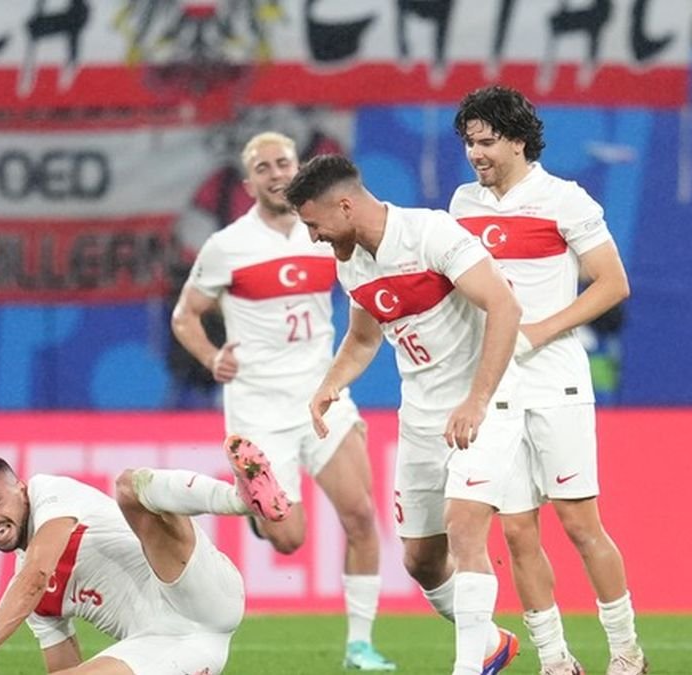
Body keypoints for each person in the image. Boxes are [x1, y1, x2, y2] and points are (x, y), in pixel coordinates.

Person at [284, 154, 525, 675]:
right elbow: (363, 337)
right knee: (420, 560)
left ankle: (468, 668)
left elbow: (505, 305)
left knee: (464, 525)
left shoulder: (431, 234)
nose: (313, 238)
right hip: (420, 415)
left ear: (345, 206)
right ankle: (489, 642)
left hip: (484, 404)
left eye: (314, 225)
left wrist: (478, 400)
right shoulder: (351, 262)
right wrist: (329, 384)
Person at [170, 131, 394, 670]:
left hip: (320, 396)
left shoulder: (325, 230)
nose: (275, 173)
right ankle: (258, 510)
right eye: (263, 167)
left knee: (362, 514)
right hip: (259, 409)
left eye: (283, 163)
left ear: (299, 169)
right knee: (289, 539)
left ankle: (360, 645)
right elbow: (185, 316)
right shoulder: (227, 246)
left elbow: (368, 283)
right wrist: (211, 358)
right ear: (249, 183)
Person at [449, 85, 644, 675]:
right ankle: (556, 659)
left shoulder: (564, 199)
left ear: (517, 140)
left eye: (486, 142)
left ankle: (626, 652)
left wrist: (538, 331)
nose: (476, 154)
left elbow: (612, 283)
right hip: (495, 388)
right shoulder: (463, 203)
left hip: (556, 381)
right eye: (469, 143)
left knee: (581, 524)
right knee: (517, 532)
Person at [0, 435, 290, 675]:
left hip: (200, 592)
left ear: (21, 489)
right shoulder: (33, 600)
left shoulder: (50, 494)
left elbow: (34, 577)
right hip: (175, 648)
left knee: (128, 488)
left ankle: (239, 499)